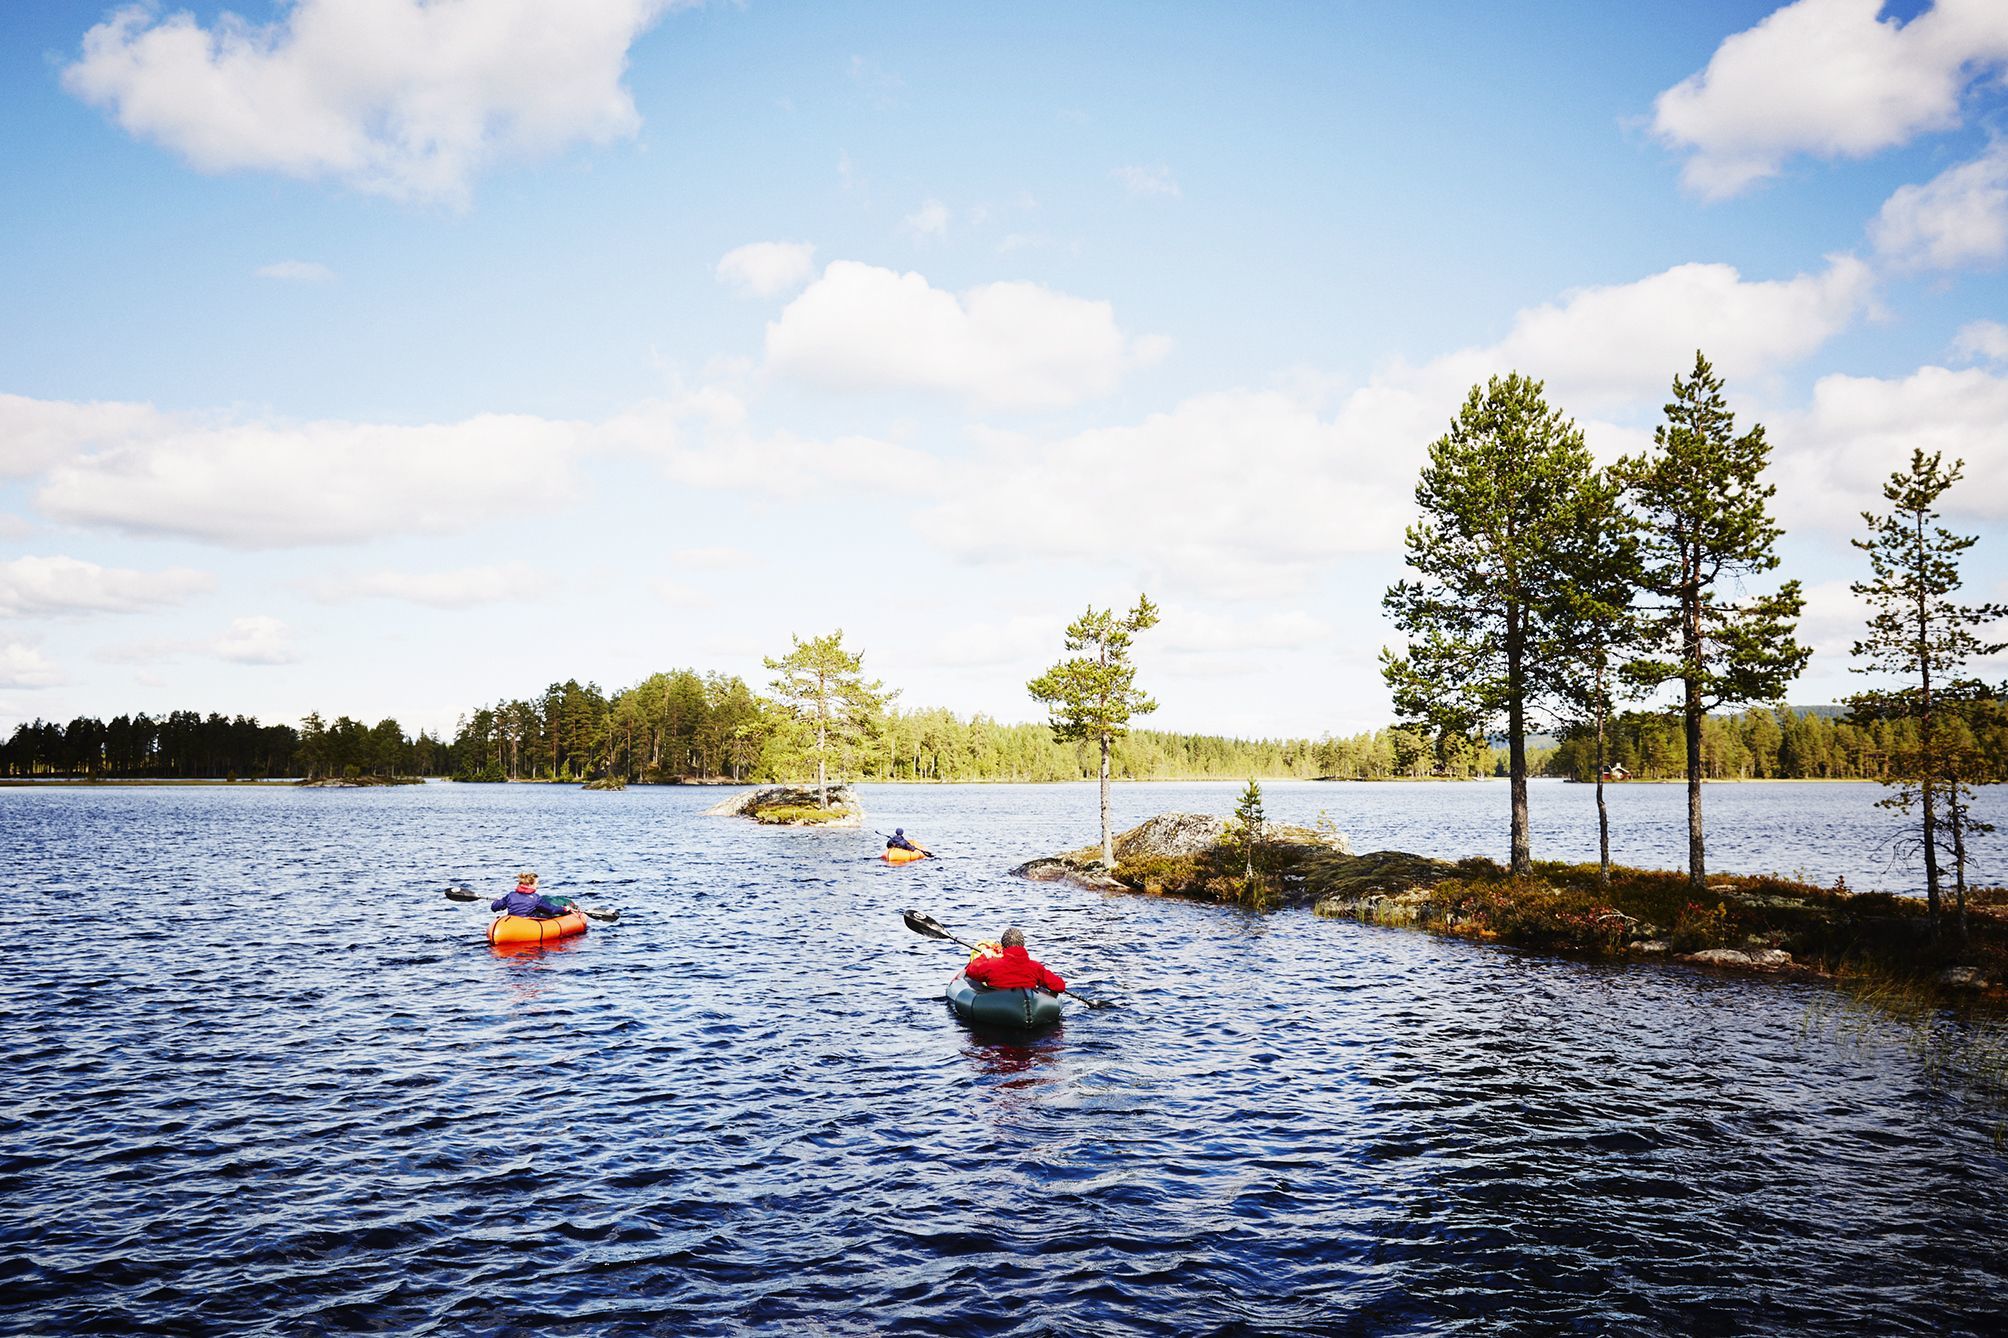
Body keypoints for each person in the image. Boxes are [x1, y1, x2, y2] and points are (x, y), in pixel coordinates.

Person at [965, 927, 1066, 994]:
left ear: (1003, 946)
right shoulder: (1036, 967)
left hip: (998, 1005)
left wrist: (984, 956)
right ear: (1023, 945)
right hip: (1025, 1003)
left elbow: (971, 971)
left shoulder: (991, 965)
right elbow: (1060, 986)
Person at [491, 871, 569, 919]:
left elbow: (494, 907)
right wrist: (564, 909)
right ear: (530, 884)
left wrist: (498, 901)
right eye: (537, 883)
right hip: (527, 922)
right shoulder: (535, 898)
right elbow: (552, 909)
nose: (538, 886)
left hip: (512, 921)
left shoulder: (510, 896)